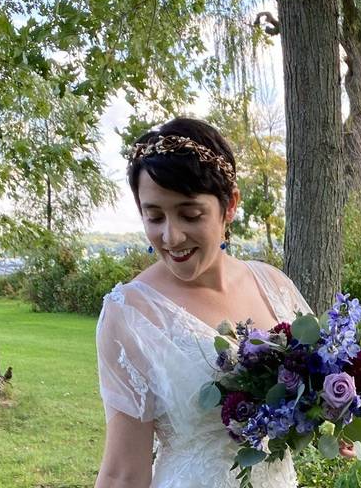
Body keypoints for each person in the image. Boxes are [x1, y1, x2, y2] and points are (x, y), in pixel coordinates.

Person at [94, 117, 326, 488]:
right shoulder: (130, 315)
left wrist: (337, 405)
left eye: (190, 214)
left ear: (229, 205)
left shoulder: (273, 285)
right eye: (154, 216)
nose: (171, 236)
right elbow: (123, 471)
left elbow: (311, 384)